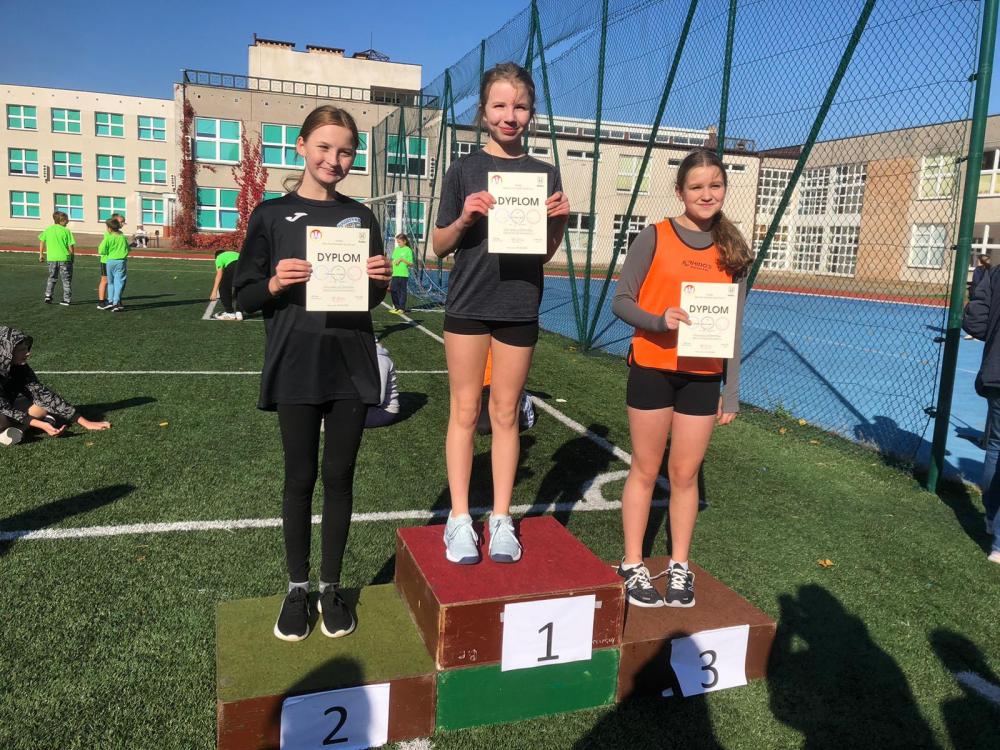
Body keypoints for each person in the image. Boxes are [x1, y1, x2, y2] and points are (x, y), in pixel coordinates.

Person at [234, 104, 392, 641]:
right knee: (299, 479)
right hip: (295, 365)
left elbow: (369, 298)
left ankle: (331, 587)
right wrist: (276, 282)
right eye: (324, 147)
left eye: (345, 151)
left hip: (349, 365)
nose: (334, 159)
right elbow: (243, 295)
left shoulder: (361, 218)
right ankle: (297, 588)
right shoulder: (271, 215)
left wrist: (379, 281)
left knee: (340, 478)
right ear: (301, 146)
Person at [432, 62, 569, 565]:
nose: (510, 115)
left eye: (521, 106)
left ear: (531, 112)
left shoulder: (545, 173)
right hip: (468, 304)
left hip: (518, 305)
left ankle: (501, 518)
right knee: (466, 411)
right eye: (500, 105)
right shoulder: (462, 170)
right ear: (484, 111)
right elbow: (439, 245)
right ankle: (459, 518)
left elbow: (544, 252)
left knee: (506, 413)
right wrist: (466, 216)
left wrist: (560, 222)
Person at [611, 148, 752, 608]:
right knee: (645, 468)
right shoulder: (655, 236)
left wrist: (731, 392)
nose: (706, 194)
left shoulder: (733, 248)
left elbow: (733, 327)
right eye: (697, 187)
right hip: (652, 368)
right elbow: (621, 301)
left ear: (724, 189)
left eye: (715, 185)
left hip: (702, 378)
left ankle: (679, 566)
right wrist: (659, 320)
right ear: (680, 191)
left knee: (686, 474)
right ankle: (632, 563)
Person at [0, 327, 111, 446]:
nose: (28, 352)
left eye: (26, 348)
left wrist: (86, 423)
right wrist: (42, 425)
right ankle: (22, 428)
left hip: (7, 406)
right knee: (2, 420)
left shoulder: (20, 367)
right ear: (7, 351)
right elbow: (3, 408)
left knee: (42, 406)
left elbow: (43, 396)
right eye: (22, 350)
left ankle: (18, 429)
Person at [961, 262, 1000, 564]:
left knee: (996, 447)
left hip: (996, 372)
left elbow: (975, 321)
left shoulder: (996, 273)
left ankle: (991, 518)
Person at [475, 348, 535, 435]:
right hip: (475, 386)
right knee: (465, 416)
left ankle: (523, 404)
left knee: (485, 426)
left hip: (497, 384)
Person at [38, 211, 75, 306]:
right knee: (66, 279)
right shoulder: (66, 231)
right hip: (65, 258)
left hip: (51, 258)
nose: (68, 221)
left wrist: (41, 254)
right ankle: (66, 299)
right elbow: (71, 246)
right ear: (61, 221)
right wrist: (72, 257)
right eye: (66, 220)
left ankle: (48, 295)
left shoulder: (48, 229)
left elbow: (42, 241)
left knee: (52, 277)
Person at [364, 341, 401, 428]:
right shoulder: (366, 355)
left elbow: (378, 398)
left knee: (340, 416)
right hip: (369, 404)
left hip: (384, 411)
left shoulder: (380, 360)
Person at [98, 217, 129, 312]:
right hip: (120, 261)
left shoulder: (108, 237)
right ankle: (116, 302)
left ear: (109, 228)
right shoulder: (122, 237)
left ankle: (110, 301)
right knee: (119, 282)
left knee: (110, 282)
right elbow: (127, 249)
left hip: (110, 261)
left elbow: (101, 250)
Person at [210, 249, 243, 321]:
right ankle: (239, 312)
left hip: (233, 266)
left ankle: (230, 312)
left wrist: (214, 291)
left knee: (223, 288)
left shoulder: (219, 257)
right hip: (246, 266)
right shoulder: (234, 253)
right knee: (240, 288)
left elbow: (219, 274)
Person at [965, 254, 991, 340]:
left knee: (974, 312)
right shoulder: (990, 270)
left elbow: (976, 282)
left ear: (980, 261)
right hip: (986, 294)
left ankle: (974, 333)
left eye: (977, 260)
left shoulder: (978, 269)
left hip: (977, 294)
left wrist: (971, 287)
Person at [389, 233, 414, 313]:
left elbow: (411, 264)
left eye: (399, 242)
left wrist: (402, 259)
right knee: (393, 290)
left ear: (404, 241)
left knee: (402, 291)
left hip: (403, 274)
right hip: (395, 274)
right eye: (397, 242)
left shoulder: (408, 250)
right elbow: (393, 260)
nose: (398, 244)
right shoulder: (396, 249)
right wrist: (391, 268)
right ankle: (397, 307)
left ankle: (401, 308)